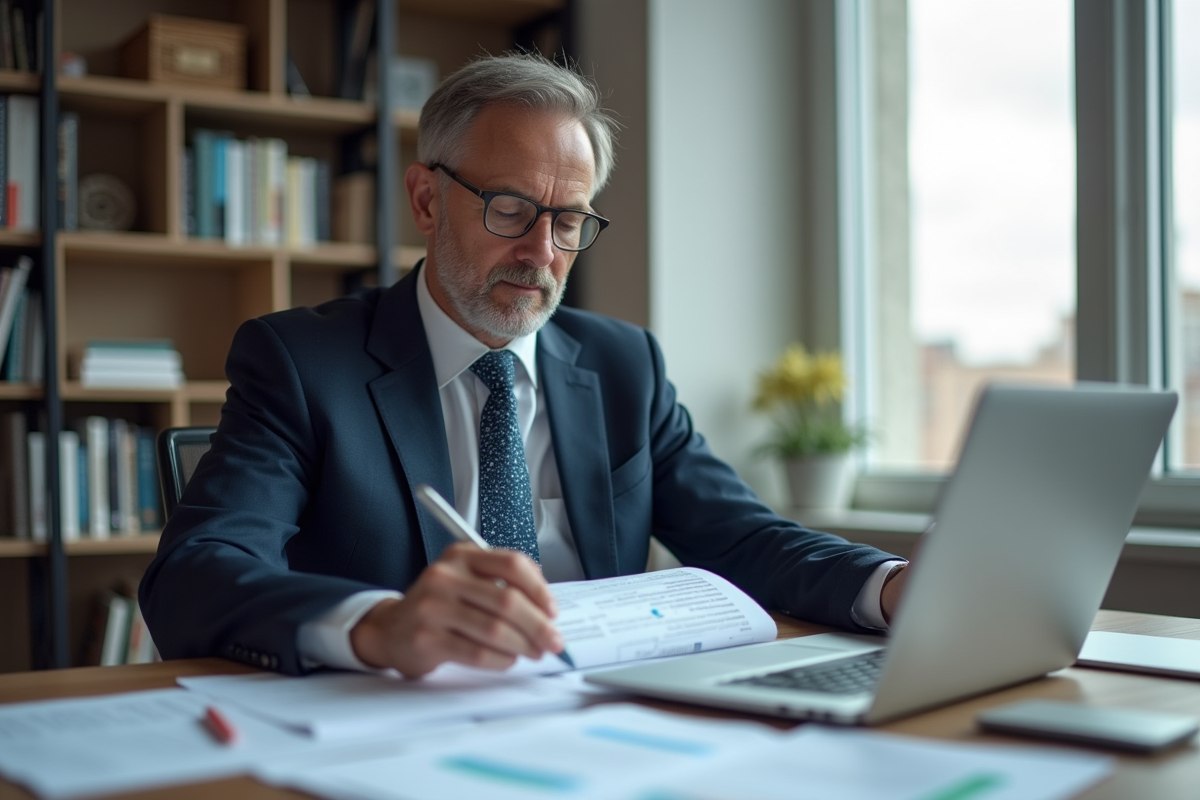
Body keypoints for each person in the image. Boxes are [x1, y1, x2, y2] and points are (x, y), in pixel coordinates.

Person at [140, 53, 911, 678]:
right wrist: (377, 625)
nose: (541, 252)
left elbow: (746, 540)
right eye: (509, 209)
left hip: (603, 718)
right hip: (396, 727)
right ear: (427, 199)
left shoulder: (623, 366)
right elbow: (193, 577)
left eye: (568, 220)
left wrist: (896, 588)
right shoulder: (303, 363)